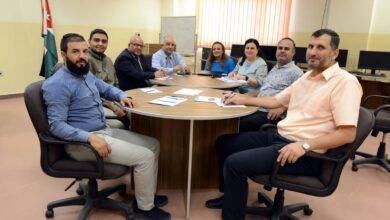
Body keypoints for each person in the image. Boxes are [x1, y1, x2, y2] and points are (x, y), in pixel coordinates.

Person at [205, 29, 362, 220]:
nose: (312, 52)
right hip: (279, 137)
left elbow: (347, 134)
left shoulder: (345, 82)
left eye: (320, 47)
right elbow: (276, 101)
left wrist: (304, 145)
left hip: (303, 152)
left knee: (234, 163)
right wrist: (240, 99)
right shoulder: (307, 76)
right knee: (224, 143)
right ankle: (229, 196)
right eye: (311, 46)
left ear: (335, 53)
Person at [42, 33, 170, 219]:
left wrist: (121, 96)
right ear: (63, 54)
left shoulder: (85, 74)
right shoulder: (57, 84)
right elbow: (56, 126)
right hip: (83, 143)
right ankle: (145, 210)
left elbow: (106, 88)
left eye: (85, 51)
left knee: (153, 144)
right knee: (145, 157)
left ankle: (145, 196)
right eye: (75, 52)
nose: (82, 56)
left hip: (102, 130)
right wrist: (90, 137)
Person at [239, 37, 303, 132]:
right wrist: (244, 96)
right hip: (257, 106)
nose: (282, 51)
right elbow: (264, 89)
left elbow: (300, 99)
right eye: (280, 48)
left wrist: (282, 108)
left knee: (239, 122)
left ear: (293, 53)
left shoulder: (296, 72)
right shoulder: (275, 68)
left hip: (269, 113)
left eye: (286, 49)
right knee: (231, 115)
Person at [88, 28, 128, 129]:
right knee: (122, 122)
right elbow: (91, 92)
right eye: (96, 40)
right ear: (89, 42)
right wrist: (112, 106)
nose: (100, 44)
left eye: (104, 41)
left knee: (135, 113)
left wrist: (122, 98)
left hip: (114, 99)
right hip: (96, 103)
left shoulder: (108, 60)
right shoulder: (85, 60)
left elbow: (115, 83)